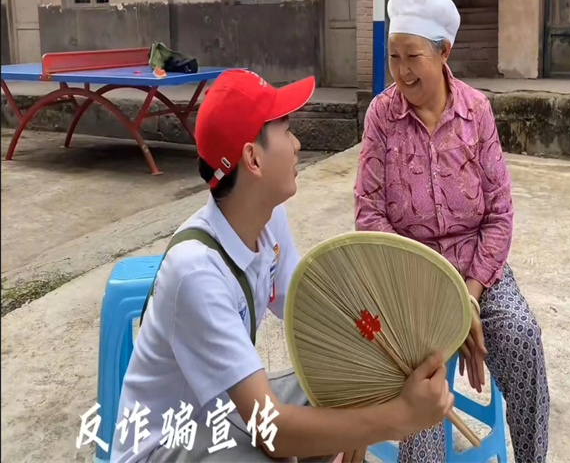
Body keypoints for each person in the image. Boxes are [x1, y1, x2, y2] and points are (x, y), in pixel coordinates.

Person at [111, 69, 455, 463]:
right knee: (283, 449)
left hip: (226, 413)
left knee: (344, 383)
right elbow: (270, 431)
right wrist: (397, 419)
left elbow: (315, 309)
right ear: (253, 159)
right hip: (169, 443)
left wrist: (382, 361)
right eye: (287, 131)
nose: (297, 144)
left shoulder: (267, 218)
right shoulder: (197, 273)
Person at [354, 0, 550, 462]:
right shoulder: (382, 116)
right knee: (422, 381)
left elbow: (499, 213)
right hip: (412, 282)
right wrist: (441, 301)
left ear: (444, 52)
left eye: (413, 56)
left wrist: (468, 297)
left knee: (521, 336)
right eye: (394, 56)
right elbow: (369, 212)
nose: (401, 71)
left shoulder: (475, 111)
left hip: (477, 273)